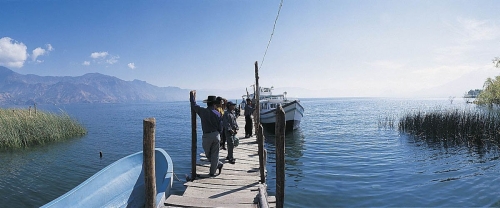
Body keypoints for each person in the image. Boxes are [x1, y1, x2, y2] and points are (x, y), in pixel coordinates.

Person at [190, 94, 223, 177]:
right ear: (214, 104)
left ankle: (214, 170)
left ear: (207, 103)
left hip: (207, 135)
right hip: (216, 134)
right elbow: (220, 126)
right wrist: (219, 134)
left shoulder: (202, 111)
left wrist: (192, 97)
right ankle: (216, 167)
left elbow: (194, 105)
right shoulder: (217, 113)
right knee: (215, 154)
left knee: (208, 153)